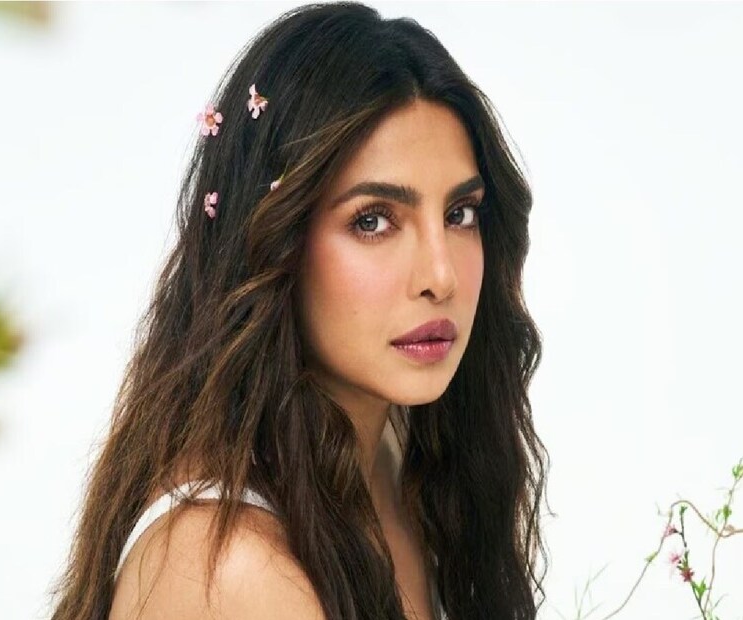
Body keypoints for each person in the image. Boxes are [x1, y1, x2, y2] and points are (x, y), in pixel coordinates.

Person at [48, 2, 549, 619]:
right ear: (272, 244)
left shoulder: (399, 459)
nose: (440, 276)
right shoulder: (230, 567)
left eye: (459, 214)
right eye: (373, 221)